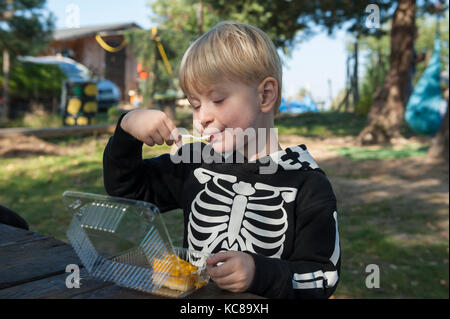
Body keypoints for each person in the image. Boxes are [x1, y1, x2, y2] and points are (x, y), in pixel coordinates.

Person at [103, 21, 340, 299]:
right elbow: (126, 189)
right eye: (194, 104)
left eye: (217, 99)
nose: (201, 117)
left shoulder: (306, 183)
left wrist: (259, 273)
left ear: (265, 95)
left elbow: (323, 277)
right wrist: (127, 130)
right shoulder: (195, 163)